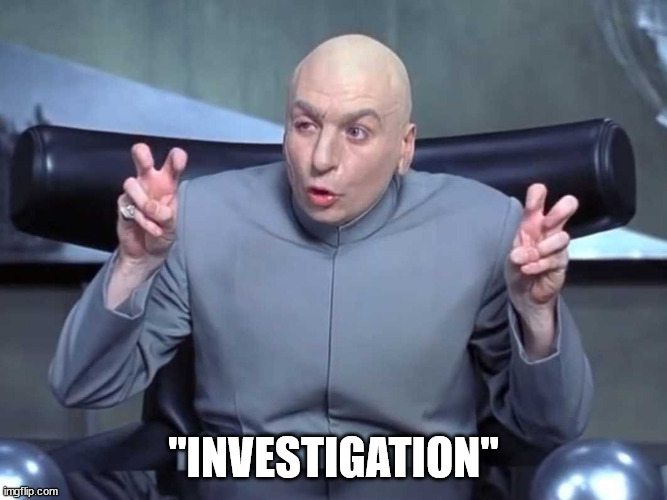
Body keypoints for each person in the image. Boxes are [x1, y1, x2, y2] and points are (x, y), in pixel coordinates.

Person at [48, 34, 593, 499]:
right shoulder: (200, 217)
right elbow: (81, 387)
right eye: (306, 124)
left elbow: (553, 427)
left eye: (357, 132)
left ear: (405, 147)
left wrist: (536, 315)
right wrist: (134, 266)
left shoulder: (485, 225)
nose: (322, 159)